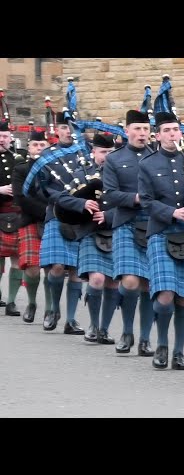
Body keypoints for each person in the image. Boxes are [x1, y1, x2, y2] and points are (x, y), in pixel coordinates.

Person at [138, 111, 184, 370]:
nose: (172, 134)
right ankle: (162, 343)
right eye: (167, 131)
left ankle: (179, 351)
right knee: (164, 295)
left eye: (175, 130)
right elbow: (146, 200)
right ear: (158, 135)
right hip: (161, 231)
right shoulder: (148, 164)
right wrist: (172, 212)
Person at [102, 110, 155, 352]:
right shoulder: (114, 159)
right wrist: (135, 198)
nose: (142, 133)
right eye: (137, 129)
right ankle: (126, 331)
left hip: (154, 223)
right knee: (131, 282)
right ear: (127, 131)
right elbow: (110, 194)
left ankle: (144, 338)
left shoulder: (157, 157)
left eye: (145, 129)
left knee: (148, 284)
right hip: (126, 221)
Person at [37, 112, 87, 334]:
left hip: (83, 215)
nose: (69, 132)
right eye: (65, 127)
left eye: (73, 128)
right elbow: (42, 188)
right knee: (57, 267)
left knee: (76, 269)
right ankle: (53, 309)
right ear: (57, 130)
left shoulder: (85, 154)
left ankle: (71, 319)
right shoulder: (48, 156)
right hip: (58, 213)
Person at [72, 134, 119, 343]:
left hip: (117, 229)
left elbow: (135, 201)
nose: (107, 156)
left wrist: (109, 215)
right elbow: (68, 200)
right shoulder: (81, 174)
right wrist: (83, 206)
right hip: (91, 230)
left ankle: (105, 329)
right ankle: (93, 324)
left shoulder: (123, 173)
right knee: (97, 279)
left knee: (113, 284)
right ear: (94, 152)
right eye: (103, 152)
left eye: (111, 152)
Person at [11, 130, 50, 323]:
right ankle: (32, 302)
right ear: (29, 147)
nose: (39, 148)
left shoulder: (57, 168)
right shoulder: (21, 169)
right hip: (31, 220)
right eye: (36, 145)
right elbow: (20, 198)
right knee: (33, 268)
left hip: (53, 221)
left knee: (53, 267)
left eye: (43, 145)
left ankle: (51, 308)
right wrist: (46, 212)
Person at [0, 120, 24, 316]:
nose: (2, 139)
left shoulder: (19, 158)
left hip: (17, 214)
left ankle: (12, 301)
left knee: (17, 258)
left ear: (11, 138)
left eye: (5, 136)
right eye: (0, 136)